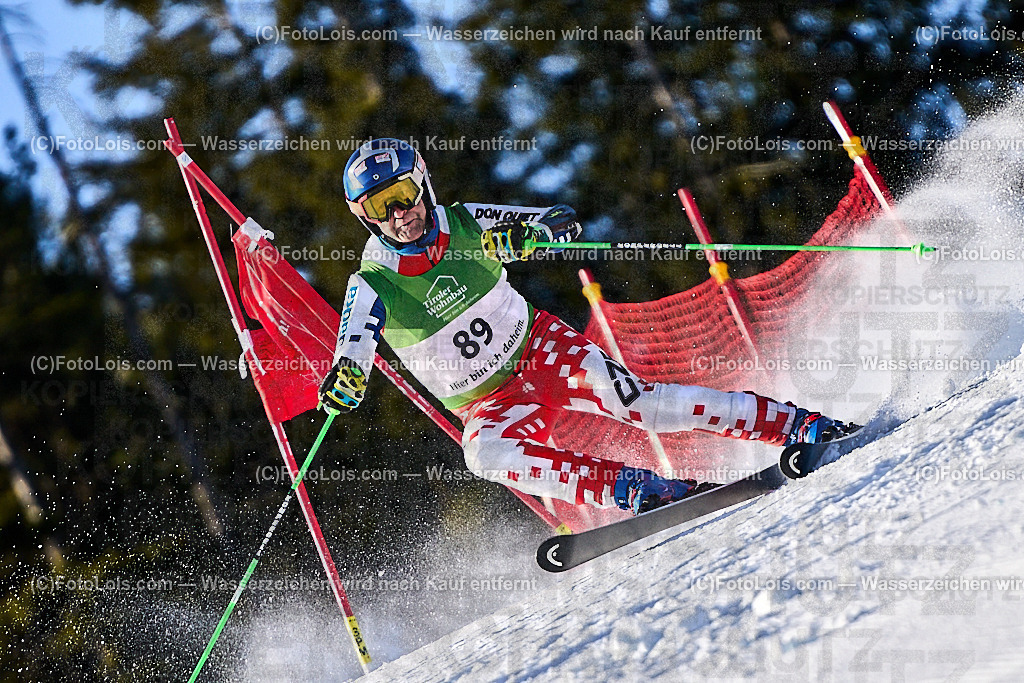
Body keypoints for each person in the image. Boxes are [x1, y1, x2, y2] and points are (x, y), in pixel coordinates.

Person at [318, 138, 856, 516]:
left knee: (642, 404)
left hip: (539, 351)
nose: (399, 216)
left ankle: (794, 425)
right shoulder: (372, 281)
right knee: (483, 453)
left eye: (403, 196)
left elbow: (559, 221)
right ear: (363, 214)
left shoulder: (462, 220)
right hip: (487, 402)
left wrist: (531, 235)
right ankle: (635, 489)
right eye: (379, 206)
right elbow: (354, 345)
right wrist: (346, 379)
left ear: (422, 184)